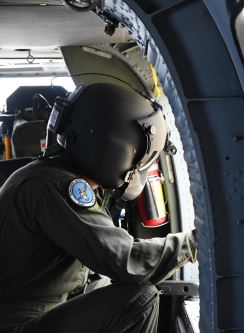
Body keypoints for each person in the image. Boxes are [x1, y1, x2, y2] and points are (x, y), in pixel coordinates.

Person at [0, 82, 197, 332]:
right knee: (139, 298)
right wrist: (195, 243)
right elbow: (127, 262)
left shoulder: (48, 174)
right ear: (117, 150)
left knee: (104, 284)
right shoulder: (57, 185)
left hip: (34, 311)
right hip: (20, 324)